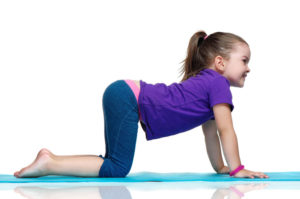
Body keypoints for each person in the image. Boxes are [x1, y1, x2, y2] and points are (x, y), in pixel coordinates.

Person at [14, 31, 269, 179]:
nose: (248, 68)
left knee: (114, 162)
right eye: (244, 60)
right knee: (117, 167)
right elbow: (226, 130)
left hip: (124, 92)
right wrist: (237, 169)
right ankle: (49, 163)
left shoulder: (206, 84)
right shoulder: (217, 84)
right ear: (220, 62)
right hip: (128, 97)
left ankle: (51, 160)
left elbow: (211, 132)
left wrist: (221, 168)